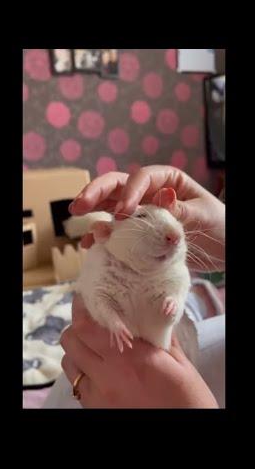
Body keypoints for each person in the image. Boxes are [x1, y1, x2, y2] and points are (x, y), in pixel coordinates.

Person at [42, 165, 226, 408]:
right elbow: (99, 296)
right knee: (72, 383)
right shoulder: (105, 257)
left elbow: (179, 284)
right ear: (104, 233)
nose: (174, 232)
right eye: (141, 217)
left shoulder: (172, 268)